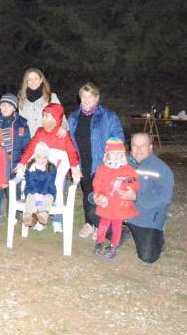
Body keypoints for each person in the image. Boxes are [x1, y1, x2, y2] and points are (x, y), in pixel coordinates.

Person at [67, 82, 124, 239]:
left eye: (90, 97)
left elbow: (118, 139)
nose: (86, 100)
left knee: (101, 194)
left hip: (102, 163)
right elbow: (68, 141)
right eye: (83, 97)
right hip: (82, 163)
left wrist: (111, 162)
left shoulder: (108, 116)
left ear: (97, 98)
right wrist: (73, 164)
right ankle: (89, 223)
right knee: (87, 193)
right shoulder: (73, 118)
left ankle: (101, 224)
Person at [106, 133, 174, 263]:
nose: (138, 150)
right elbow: (102, 181)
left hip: (145, 217)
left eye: (142, 146)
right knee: (94, 212)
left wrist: (136, 197)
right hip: (120, 212)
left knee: (148, 257)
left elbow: (165, 198)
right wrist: (97, 196)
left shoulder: (162, 169)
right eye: (134, 146)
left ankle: (157, 238)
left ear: (150, 147)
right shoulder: (119, 162)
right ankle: (123, 232)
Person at [16, 103, 82, 232]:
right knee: (37, 192)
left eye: (49, 116)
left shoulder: (63, 134)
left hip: (56, 170)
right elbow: (31, 147)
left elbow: (71, 151)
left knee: (57, 190)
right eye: (44, 115)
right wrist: (22, 162)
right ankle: (38, 218)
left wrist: (74, 166)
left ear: (57, 118)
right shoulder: (40, 132)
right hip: (40, 170)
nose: (46, 119)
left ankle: (57, 220)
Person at [92, 138, 139, 259]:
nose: (116, 156)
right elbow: (97, 185)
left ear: (123, 155)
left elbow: (134, 183)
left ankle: (114, 246)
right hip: (107, 204)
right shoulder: (102, 169)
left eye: (119, 153)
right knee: (103, 225)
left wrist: (127, 187)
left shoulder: (129, 170)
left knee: (117, 226)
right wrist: (100, 195)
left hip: (119, 205)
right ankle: (99, 242)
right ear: (107, 155)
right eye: (113, 153)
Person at [17, 68, 65, 136]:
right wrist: (20, 135)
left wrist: (63, 127)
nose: (33, 82)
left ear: (41, 80)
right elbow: (21, 122)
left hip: (48, 137)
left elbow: (61, 116)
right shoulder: (22, 100)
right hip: (30, 139)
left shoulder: (51, 97)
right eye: (29, 79)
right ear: (26, 82)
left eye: (36, 79)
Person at [21, 142, 57, 227]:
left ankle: (44, 213)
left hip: (48, 190)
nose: (42, 160)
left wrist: (42, 195)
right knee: (30, 198)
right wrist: (35, 193)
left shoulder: (51, 168)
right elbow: (30, 182)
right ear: (34, 157)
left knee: (48, 198)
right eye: (39, 157)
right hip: (32, 191)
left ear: (48, 158)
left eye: (45, 158)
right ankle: (28, 215)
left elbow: (49, 182)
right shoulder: (30, 167)